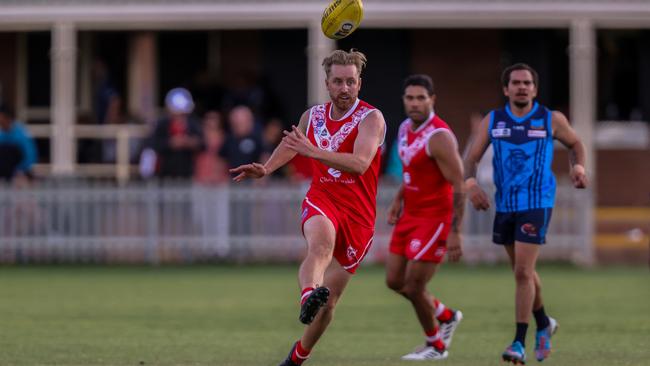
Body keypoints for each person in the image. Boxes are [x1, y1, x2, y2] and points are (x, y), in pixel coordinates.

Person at [229, 49, 386, 366]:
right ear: (327, 83)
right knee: (320, 247)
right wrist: (268, 168)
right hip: (322, 198)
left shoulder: (372, 118)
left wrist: (312, 152)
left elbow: (359, 163)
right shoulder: (312, 116)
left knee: (329, 305)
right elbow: (292, 144)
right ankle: (307, 295)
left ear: (360, 83)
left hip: (358, 217)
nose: (344, 88)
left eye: (350, 82)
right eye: (338, 82)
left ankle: (297, 357)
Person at [463, 63, 588, 364]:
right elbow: (471, 158)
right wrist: (471, 184)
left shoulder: (550, 119)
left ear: (535, 89)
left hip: (537, 201)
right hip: (505, 204)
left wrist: (578, 166)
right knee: (524, 272)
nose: (522, 87)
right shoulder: (494, 120)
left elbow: (576, 144)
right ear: (506, 89)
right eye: (516, 83)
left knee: (522, 272)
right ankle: (544, 323)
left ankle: (519, 342)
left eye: (527, 83)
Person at [385, 75, 465, 361]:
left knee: (414, 286)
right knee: (394, 281)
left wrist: (456, 231)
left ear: (433, 100)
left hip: (435, 218)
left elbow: (459, 184)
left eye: (421, 98)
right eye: (410, 98)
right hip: (410, 214)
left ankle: (436, 346)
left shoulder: (439, 137)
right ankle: (446, 315)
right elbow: (412, 171)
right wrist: (398, 199)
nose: (415, 103)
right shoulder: (406, 128)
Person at [149, 88, 204, 179]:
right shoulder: (162, 124)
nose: (180, 117)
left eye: (182, 114)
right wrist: (170, 143)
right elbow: (153, 144)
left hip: (188, 172)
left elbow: (203, 143)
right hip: (165, 173)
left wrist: (190, 142)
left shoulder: (193, 124)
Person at [0, 105, 37, 183]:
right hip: (4, 170)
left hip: (19, 169)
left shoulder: (21, 132)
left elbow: (30, 154)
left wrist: (20, 169)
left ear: (7, 117)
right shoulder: (1, 133)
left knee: (9, 150)